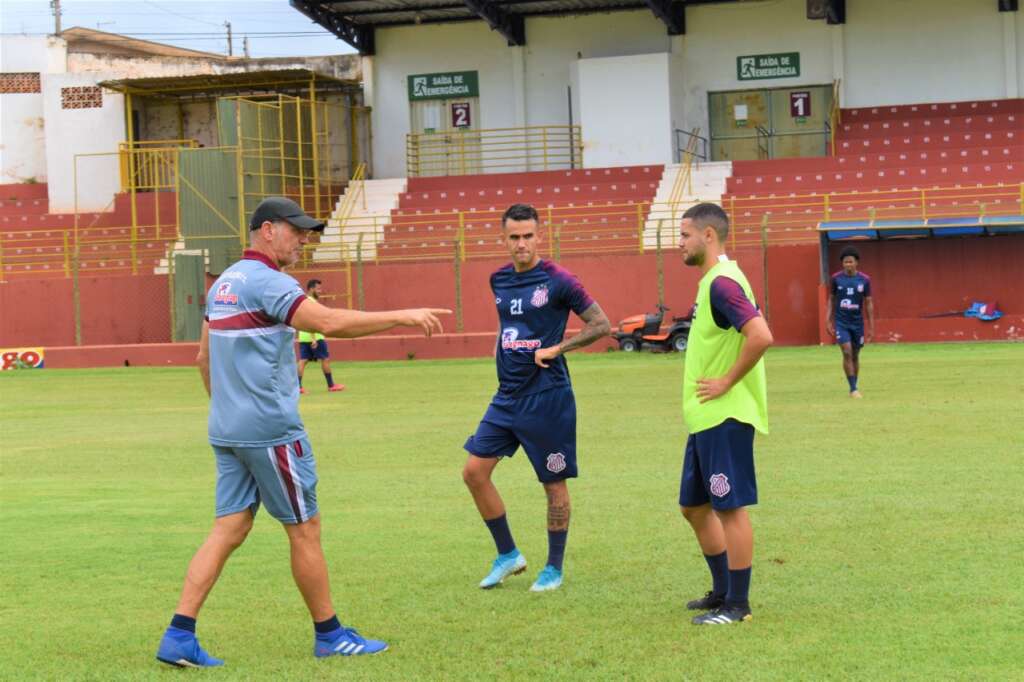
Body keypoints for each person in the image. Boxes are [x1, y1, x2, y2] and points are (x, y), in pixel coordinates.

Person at [155, 197, 449, 667]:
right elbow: (329, 323)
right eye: (297, 231)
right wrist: (403, 315)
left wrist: (230, 411)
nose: (303, 240)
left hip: (227, 428)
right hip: (271, 431)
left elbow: (202, 359)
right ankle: (330, 635)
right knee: (305, 529)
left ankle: (178, 636)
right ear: (267, 230)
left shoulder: (224, 283)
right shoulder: (270, 283)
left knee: (229, 527)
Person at [462, 203, 611, 593]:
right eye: (514, 237)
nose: (521, 244)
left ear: (539, 235)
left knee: (553, 485)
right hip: (507, 397)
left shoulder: (560, 280)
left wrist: (557, 349)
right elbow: (509, 328)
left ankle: (553, 568)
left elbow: (601, 324)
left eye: (528, 236)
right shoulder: (498, 280)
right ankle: (508, 554)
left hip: (548, 398)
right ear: (504, 239)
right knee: (474, 473)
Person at [677, 202, 773, 625]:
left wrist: (727, 381)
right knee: (694, 506)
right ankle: (722, 592)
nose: (679, 243)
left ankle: (738, 605)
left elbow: (760, 335)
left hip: (725, 415)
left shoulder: (722, 283)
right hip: (704, 418)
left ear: (708, 236)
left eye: (684, 235)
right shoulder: (711, 281)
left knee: (729, 508)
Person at [826, 246, 874, 398]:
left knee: (855, 355)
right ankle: (853, 389)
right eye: (845, 262)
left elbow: (868, 303)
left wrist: (871, 327)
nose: (847, 265)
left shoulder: (865, 280)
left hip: (857, 323)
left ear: (856, 263)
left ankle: (854, 385)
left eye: (850, 262)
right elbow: (831, 300)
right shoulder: (836, 279)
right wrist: (828, 320)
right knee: (847, 351)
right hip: (841, 322)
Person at [297, 279, 344, 394]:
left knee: (303, 361)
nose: (320, 291)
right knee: (325, 359)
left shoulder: (304, 301)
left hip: (303, 336)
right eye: (318, 289)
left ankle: (297, 387)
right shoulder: (311, 302)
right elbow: (311, 320)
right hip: (315, 336)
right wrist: (313, 338)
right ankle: (331, 385)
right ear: (311, 289)